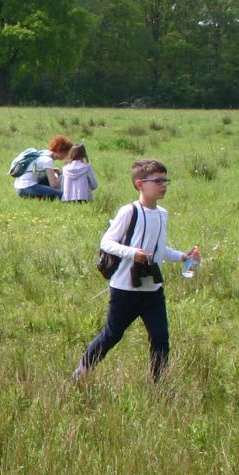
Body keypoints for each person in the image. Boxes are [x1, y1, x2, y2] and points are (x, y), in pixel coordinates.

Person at [74, 159, 201, 384]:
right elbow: (107, 242)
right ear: (140, 184)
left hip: (152, 291)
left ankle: (158, 386)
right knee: (112, 335)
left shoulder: (162, 214)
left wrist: (183, 257)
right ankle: (81, 373)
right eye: (158, 181)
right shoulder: (128, 211)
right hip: (125, 290)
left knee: (160, 339)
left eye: (166, 180)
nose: (163, 185)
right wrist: (133, 253)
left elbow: (160, 250)